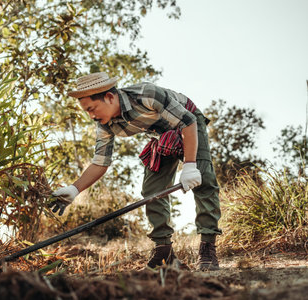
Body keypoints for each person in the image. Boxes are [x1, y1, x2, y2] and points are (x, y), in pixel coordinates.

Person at [49, 72, 222, 271]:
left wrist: (190, 165)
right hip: (162, 134)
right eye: (86, 112)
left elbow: (188, 122)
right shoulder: (104, 125)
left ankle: (207, 247)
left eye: (92, 109)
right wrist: (74, 189)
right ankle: (164, 251)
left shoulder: (147, 95)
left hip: (189, 122)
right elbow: (100, 163)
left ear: (110, 97)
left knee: (203, 179)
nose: (91, 116)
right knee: (152, 191)